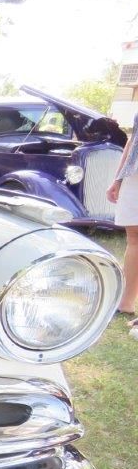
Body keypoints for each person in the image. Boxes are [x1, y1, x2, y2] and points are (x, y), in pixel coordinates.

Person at [107, 112, 138, 323]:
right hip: (133, 174)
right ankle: (125, 304)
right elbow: (133, 139)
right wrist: (117, 179)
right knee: (134, 237)